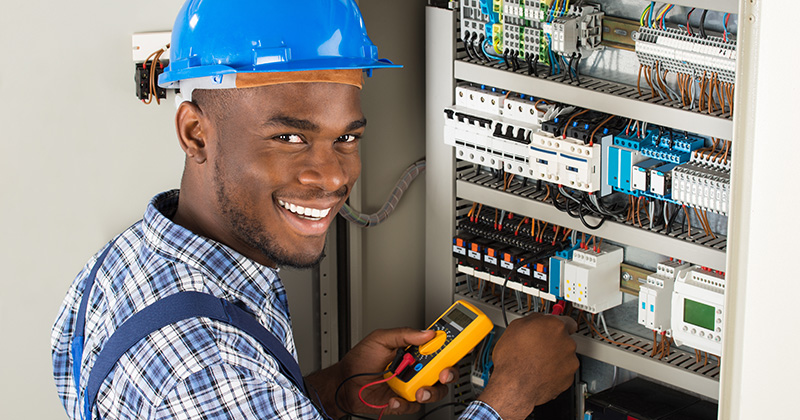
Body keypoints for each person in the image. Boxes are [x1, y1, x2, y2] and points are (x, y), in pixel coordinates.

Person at [51, 1, 579, 419]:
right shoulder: (204, 367)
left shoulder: (121, 262)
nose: (331, 177)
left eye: (346, 138)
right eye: (289, 137)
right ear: (195, 133)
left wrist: (334, 390)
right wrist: (509, 396)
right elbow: (218, 390)